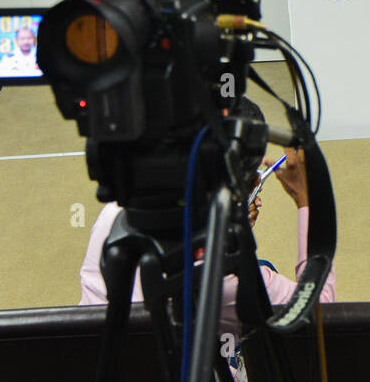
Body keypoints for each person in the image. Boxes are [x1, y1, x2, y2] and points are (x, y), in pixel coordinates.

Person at [79, 145, 336, 352]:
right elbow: (320, 312)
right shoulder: (229, 279)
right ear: (251, 184)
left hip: (106, 361)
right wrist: (307, 199)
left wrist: (222, 231)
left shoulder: (116, 210)